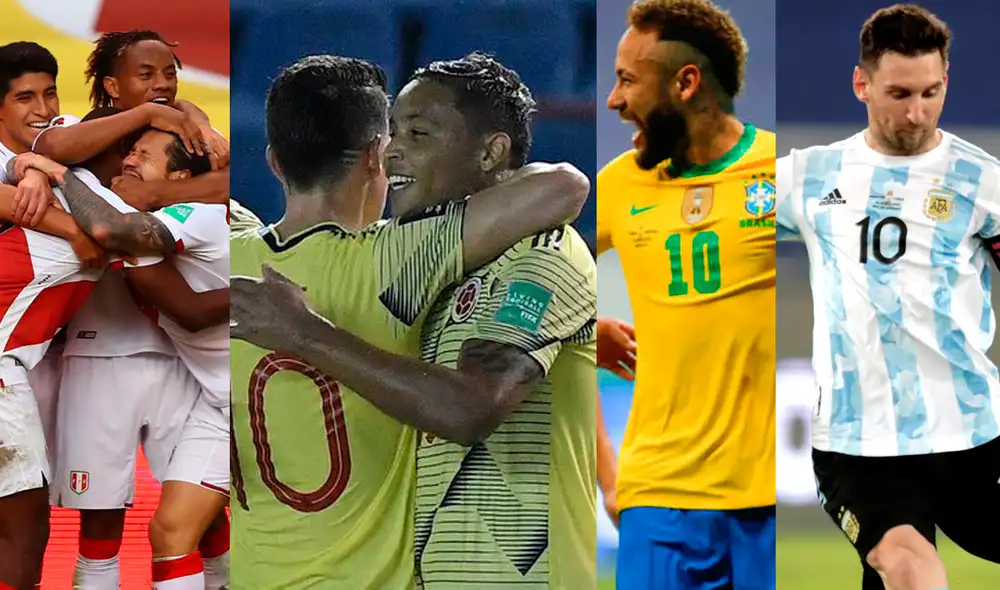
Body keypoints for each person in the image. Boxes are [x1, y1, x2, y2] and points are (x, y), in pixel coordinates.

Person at [228, 54, 589, 589]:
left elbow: (468, 408)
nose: (395, 149)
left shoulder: (542, 249)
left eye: (417, 133)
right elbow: (562, 185)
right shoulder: (408, 270)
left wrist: (304, 331)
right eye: (391, 133)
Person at [776, 5, 1000, 589]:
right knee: (909, 569)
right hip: (859, 444)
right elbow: (716, 222)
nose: (916, 112)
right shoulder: (806, 177)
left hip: (974, 434)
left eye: (931, 92)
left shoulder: (982, 183)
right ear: (862, 84)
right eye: (899, 93)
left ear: (946, 79)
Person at [597, 0, 777, 587]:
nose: (613, 101)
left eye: (627, 80)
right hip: (656, 497)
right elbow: (531, 307)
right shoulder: (618, 186)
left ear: (686, 82)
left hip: (766, 496)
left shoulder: (786, 173)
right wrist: (609, 474)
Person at [18, 127, 229, 589]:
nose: (130, 159)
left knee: (210, 527)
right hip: (210, 399)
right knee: (165, 531)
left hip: (234, 396)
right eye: (129, 150)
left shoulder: (197, 216)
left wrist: (55, 173)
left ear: (175, 177)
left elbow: (110, 231)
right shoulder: (147, 229)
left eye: (144, 155)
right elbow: (187, 308)